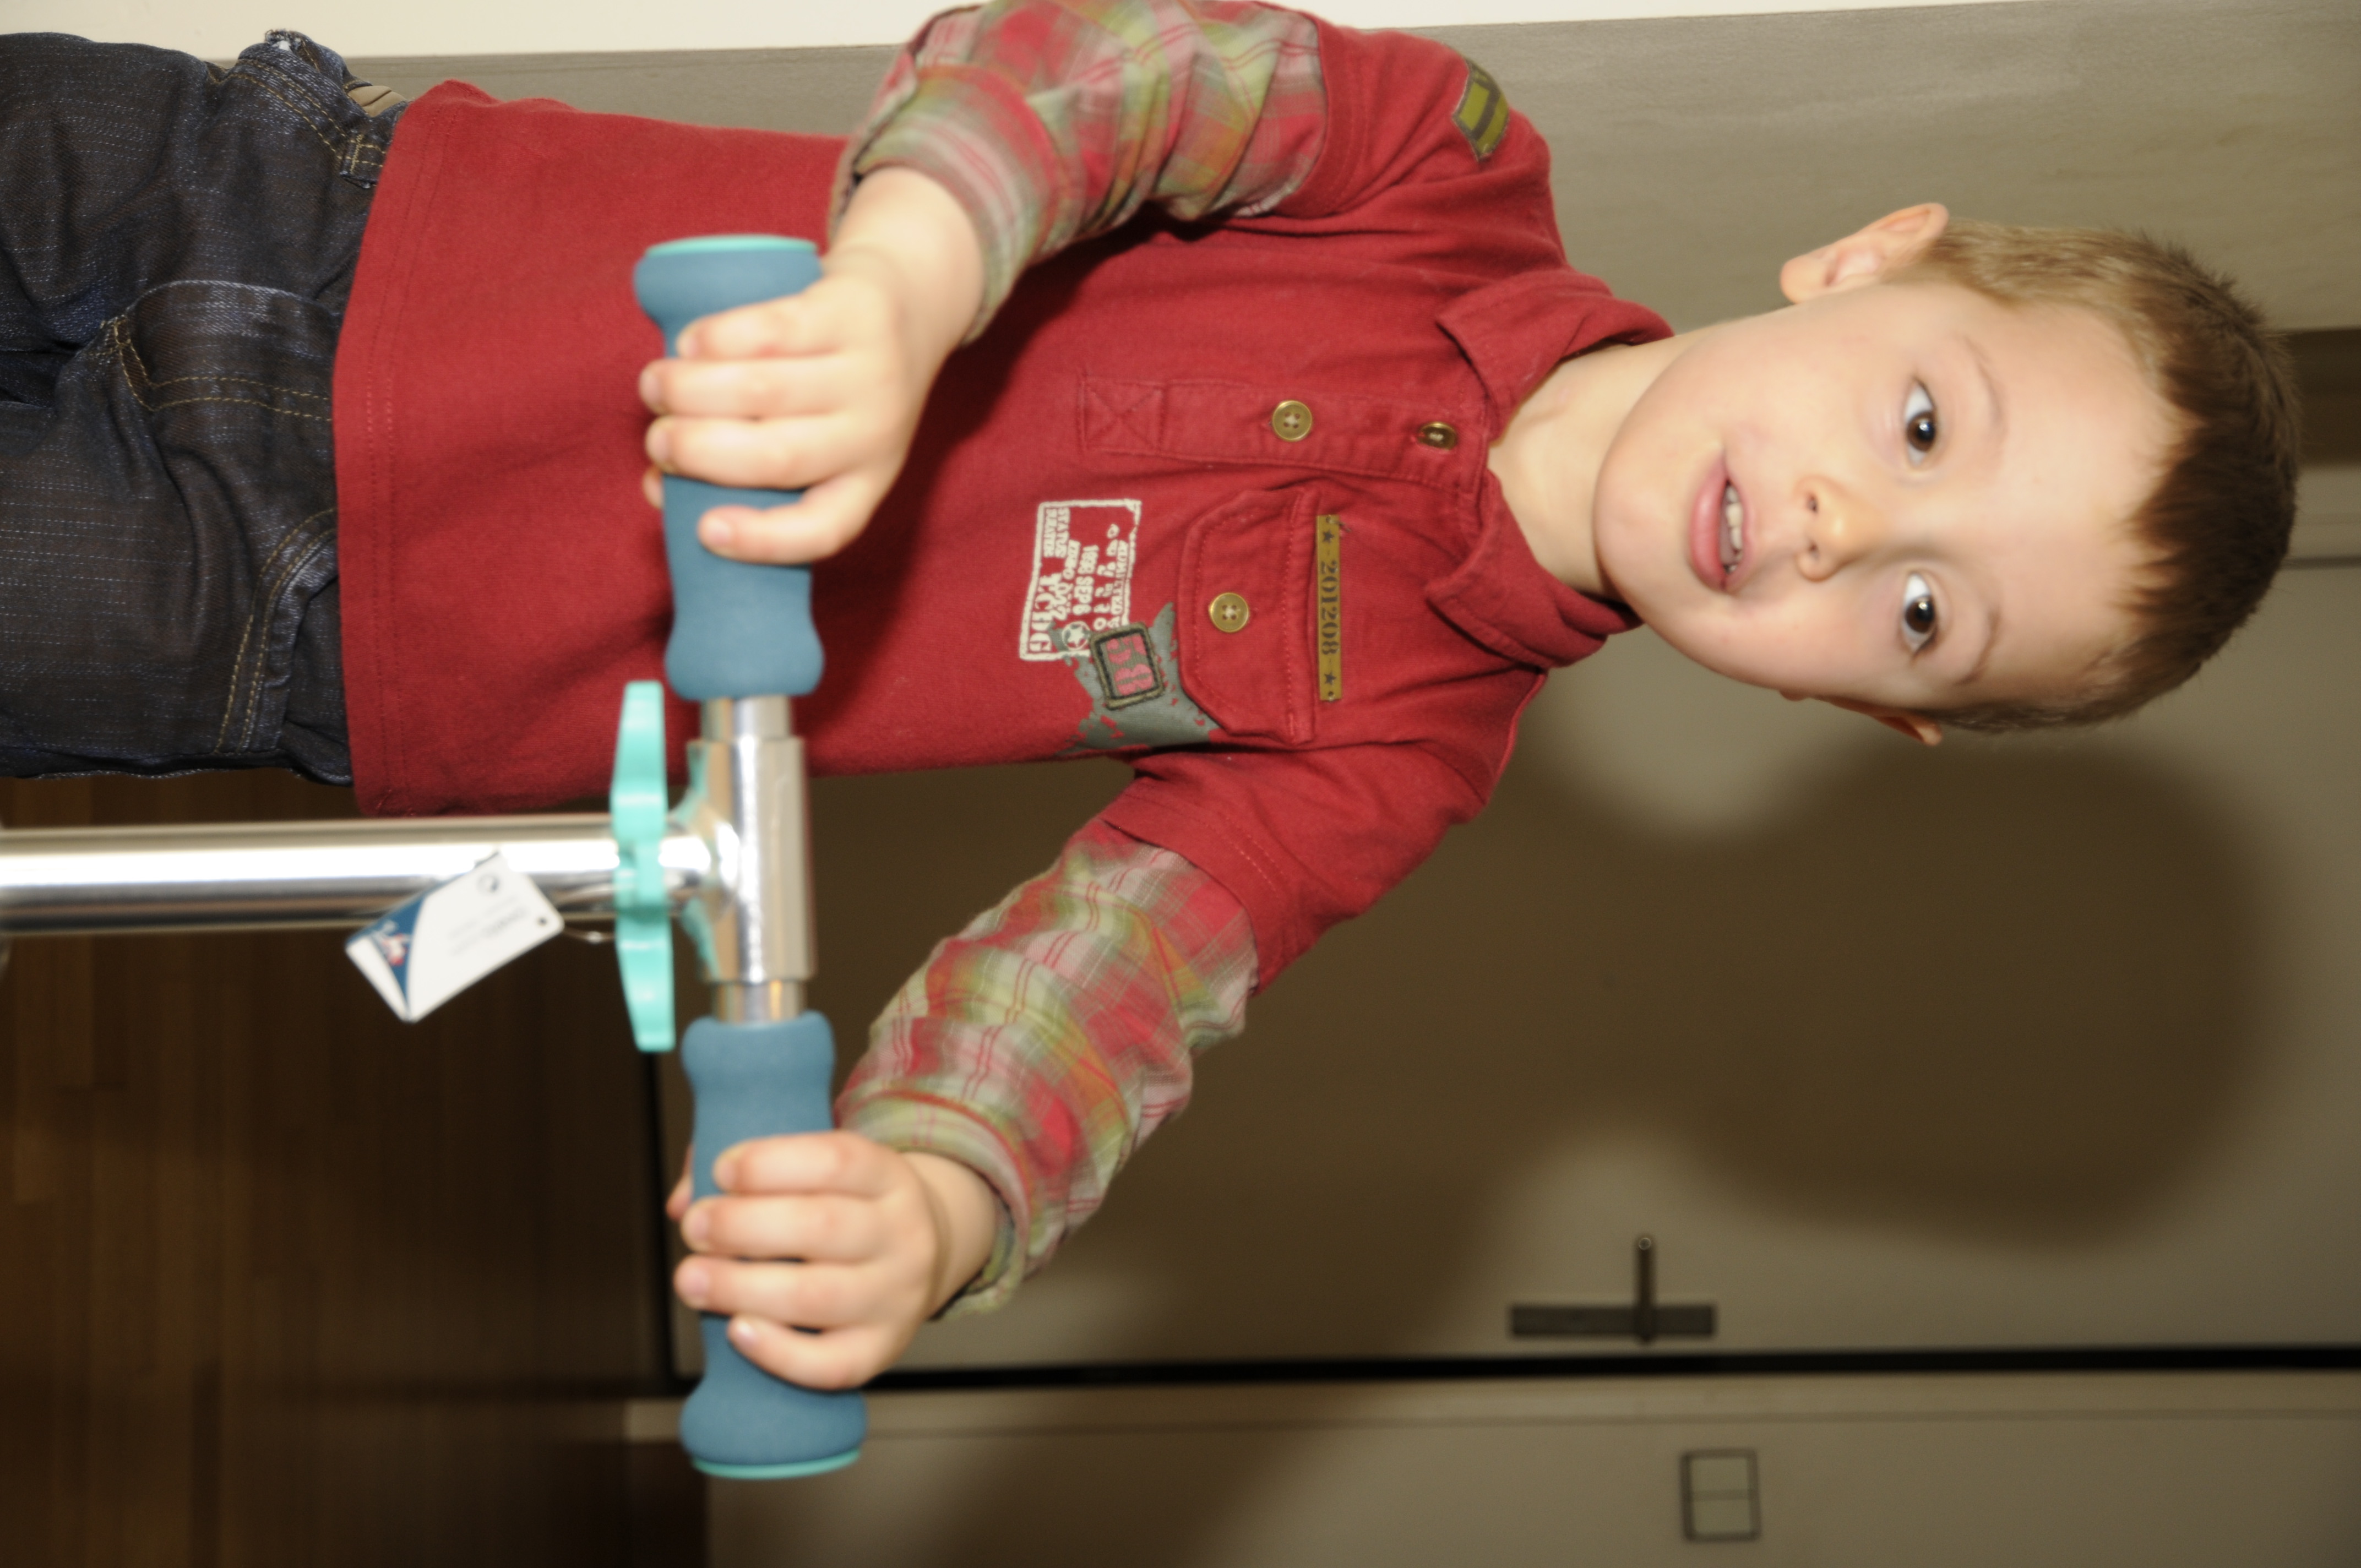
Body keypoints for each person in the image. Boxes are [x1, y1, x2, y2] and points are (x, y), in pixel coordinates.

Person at [0, 2, 2298, 1392]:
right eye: (1922, 427)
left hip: (311, 626)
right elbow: (1100, 79)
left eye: (1923, 615)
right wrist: (910, 279)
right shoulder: (1442, 165)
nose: (1838, 531)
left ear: (1866, 714)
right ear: (1870, 258)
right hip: (326, 208)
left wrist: (937, 1191)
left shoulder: (1396, 757)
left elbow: (1116, 982)